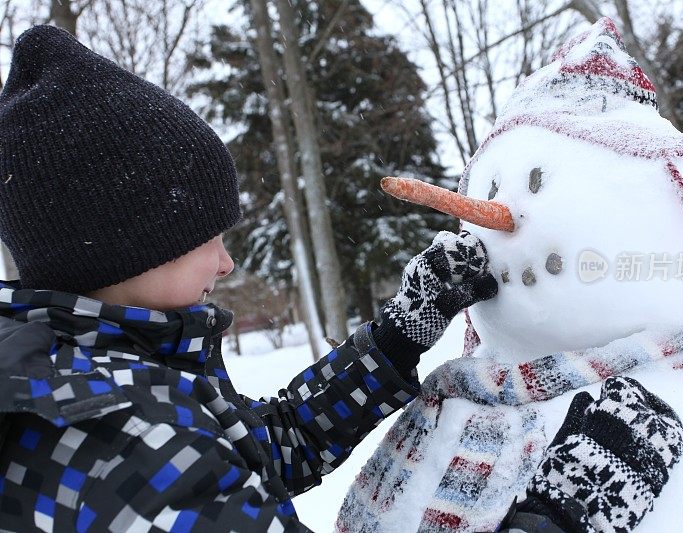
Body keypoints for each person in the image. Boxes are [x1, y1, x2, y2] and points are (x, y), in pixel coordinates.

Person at [0, 25, 497, 532]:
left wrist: (399, 333)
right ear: (126, 247)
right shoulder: (129, 444)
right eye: (208, 237)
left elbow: (271, 445)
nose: (226, 262)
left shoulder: (93, 374)